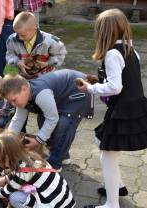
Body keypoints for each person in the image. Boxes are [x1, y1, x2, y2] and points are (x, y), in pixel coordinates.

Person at [77, 9, 147, 208]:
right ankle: (119, 187)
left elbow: (115, 87)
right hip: (133, 107)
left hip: (123, 111)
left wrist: (90, 88)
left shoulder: (111, 54)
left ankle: (112, 204)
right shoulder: (130, 50)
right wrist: (98, 80)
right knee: (101, 141)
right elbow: (122, 79)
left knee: (107, 155)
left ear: (103, 32)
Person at [1, 70, 93, 171]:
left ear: (24, 89)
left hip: (77, 92)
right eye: (10, 102)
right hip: (61, 96)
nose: (13, 104)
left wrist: (37, 141)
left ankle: (55, 164)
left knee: (64, 126)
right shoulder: (23, 96)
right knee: (42, 121)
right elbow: (18, 119)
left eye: (14, 100)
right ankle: (62, 155)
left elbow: (52, 119)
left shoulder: (41, 94)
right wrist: (7, 140)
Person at [0, 130, 75, 208]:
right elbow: (17, 174)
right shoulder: (28, 158)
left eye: (0, 159)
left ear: (8, 156)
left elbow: (7, 190)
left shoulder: (22, 173)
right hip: (64, 200)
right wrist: (4, 179)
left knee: (14, 198)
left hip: (54, 204)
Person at [6, 11, 66, 80]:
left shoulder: (49, 41)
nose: (19, 38)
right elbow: (9, 55)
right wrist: (17, 62)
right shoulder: (12, 39)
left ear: (34, 29)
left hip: (46, 78)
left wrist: (48, 63)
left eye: (23, 35)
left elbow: (61, 54)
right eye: (17, 33)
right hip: (23, 79)